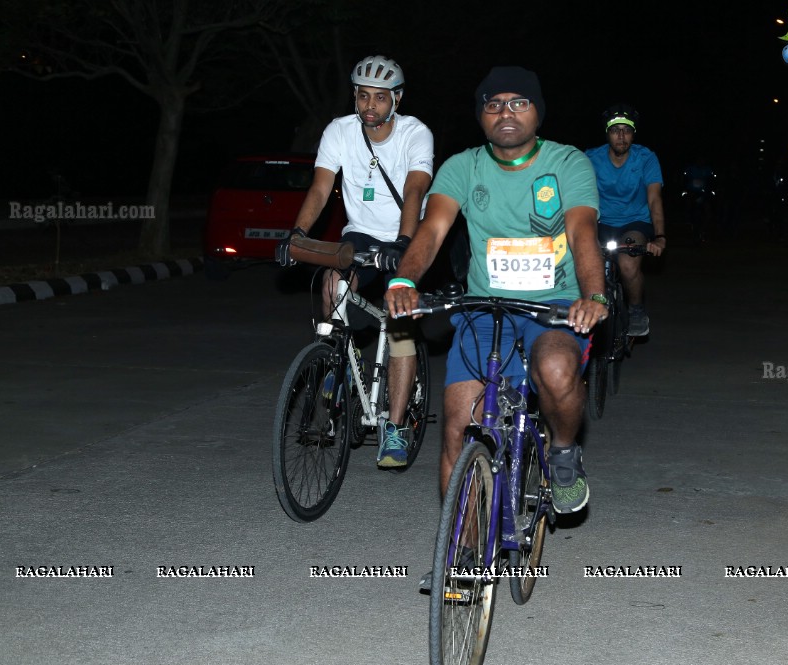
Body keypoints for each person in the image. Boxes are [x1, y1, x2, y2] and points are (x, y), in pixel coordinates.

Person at [384, 66, 606, 514]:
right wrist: (405, 279)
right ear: (482, 116)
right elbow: (433, 229)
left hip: (555, 304)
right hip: (484, 308)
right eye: (493, 104)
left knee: (557, 371)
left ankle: (563, 450)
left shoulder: (567, 163)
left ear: (537, 113)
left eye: (519, 103)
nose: (506, 112)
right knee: (457, 427)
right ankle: (462, 555)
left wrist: (594, 295)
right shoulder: (462, 167)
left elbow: (582, 231)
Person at [278, 54, 434, 468]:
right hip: (360, 235)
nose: (370, 106)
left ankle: (396, 427)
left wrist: (403, 243)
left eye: (380, 98)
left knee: (399, 321)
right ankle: (335, 369)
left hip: (406, 236)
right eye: (363, 96)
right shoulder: (340, 131)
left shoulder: (415, 134)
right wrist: (296, 234)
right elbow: (320, 187)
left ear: (396, 100)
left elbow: (416, 190)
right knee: (332, 283)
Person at [584, 104, 666, 336]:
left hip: (635, 222)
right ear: (607, 134)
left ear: (633, 134)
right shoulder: (590, 157)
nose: (621, 136)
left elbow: (654, 200)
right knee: (586, 263)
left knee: (628, 264)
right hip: (601, 222)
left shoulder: (646, 158)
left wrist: (659, 237)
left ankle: (636, 310)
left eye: (626, 130)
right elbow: (577, 196)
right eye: (615, 130)